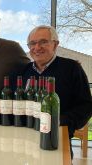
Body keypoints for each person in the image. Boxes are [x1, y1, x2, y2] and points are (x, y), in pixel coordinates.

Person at [22, 25, 92, 158]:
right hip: (27, 140)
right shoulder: (23, 71)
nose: (37, 47)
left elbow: (86, 106)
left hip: (58, 139)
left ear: (55, 45)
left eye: (43, 42)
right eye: (32, 43)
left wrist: (58, 121)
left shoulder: (72, 68)